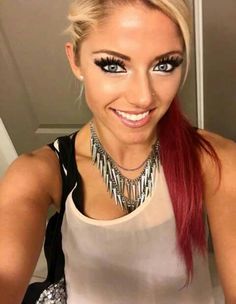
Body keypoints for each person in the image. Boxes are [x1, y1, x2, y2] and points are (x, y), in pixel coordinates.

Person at [0, 0, 236, 303]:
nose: (142, 97)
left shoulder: (216, 160)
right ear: (76, 61)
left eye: (164, 65)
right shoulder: (38, 173)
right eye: (113, 65)